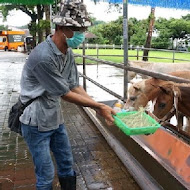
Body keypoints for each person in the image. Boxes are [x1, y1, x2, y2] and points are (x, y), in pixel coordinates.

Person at [19, 0, 116, 189]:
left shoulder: (67, 52)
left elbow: (73, 85)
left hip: (55, 117)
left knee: (66, 163)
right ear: (61, 28)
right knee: (46, 174)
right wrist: (99, 107)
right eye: (77, 30)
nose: (81, 35)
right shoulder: (43, 57)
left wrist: (98, 105)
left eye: (82, 30)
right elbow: (65, 93)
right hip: (36, 122)